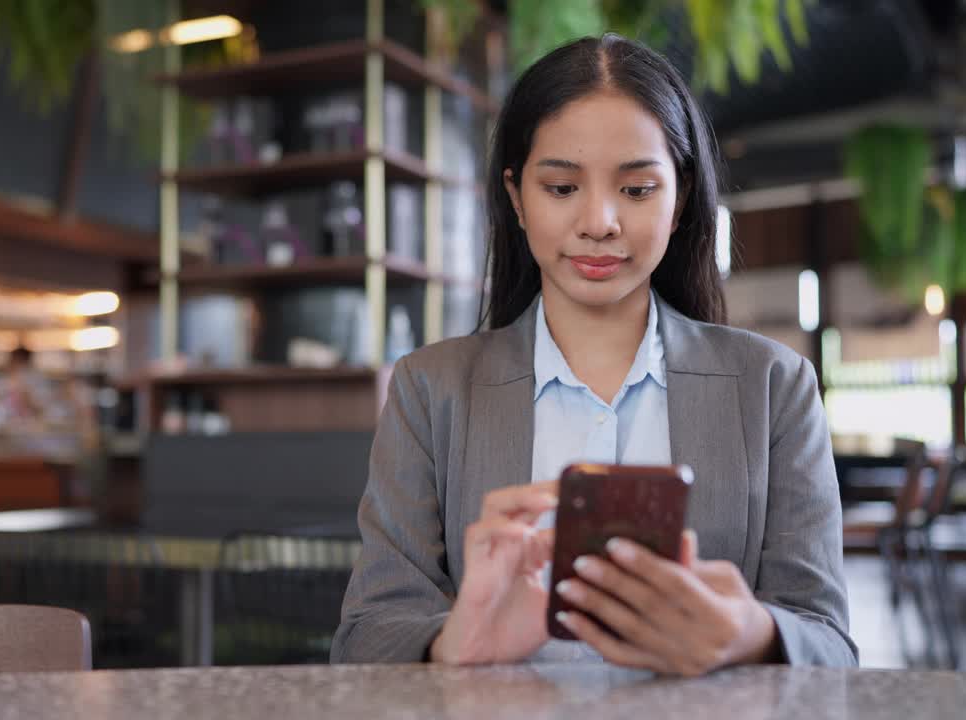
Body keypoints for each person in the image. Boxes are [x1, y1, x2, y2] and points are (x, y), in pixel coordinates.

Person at [331, 35, 856, 674]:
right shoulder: (429, 390)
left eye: (636, 191)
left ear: (681, 197)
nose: (600, 221)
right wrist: (453, 642)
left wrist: (753, 634)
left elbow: (828, 641)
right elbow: (364, 637)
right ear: (516, 197)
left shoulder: (774, 387)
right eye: (560, 188)